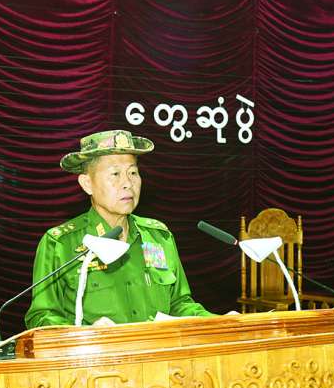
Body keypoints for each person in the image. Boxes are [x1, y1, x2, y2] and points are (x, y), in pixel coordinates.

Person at [26, 130, 213, 328]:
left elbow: (179, 304)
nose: (127, 184)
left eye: (133, 173)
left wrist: (222, 322)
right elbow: (41, 317)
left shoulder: (158, 237)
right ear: (87, 184)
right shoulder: (61, 244)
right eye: (115, 174)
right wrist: (87, 334)